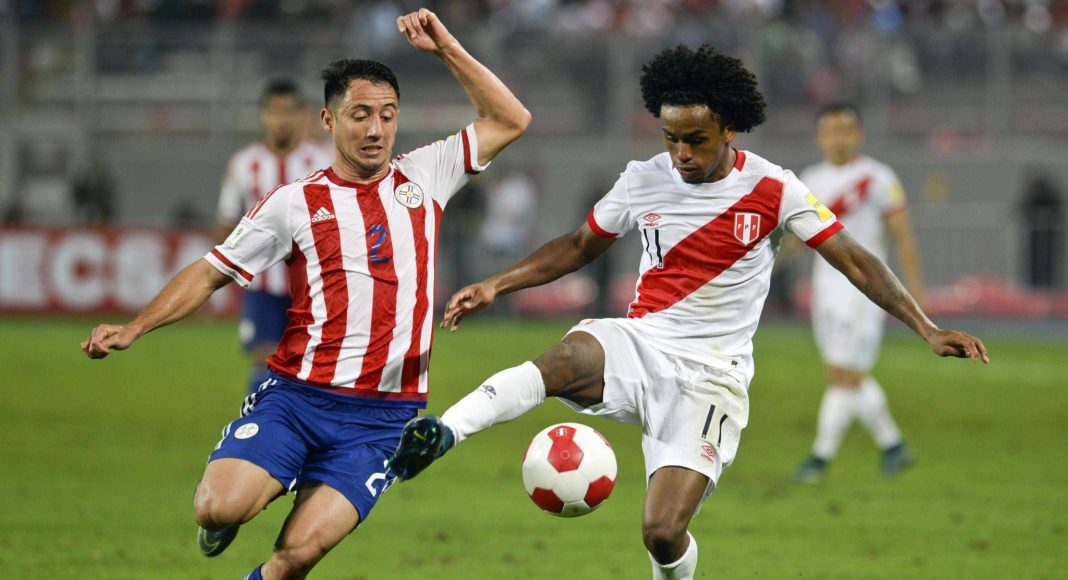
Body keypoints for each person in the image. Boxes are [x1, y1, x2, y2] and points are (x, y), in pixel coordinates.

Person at [388, 44, 987, 580]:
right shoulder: (642, 180)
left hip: (713, 374)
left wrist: (927, 328)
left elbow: (854, 259)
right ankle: (445, 432)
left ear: (728, 128)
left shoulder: (775, 188)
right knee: (565, 358)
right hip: (642, 341)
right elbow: (578, 245)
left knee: (662, 532)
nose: (680, 153)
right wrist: (497, 284)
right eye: (670, 138)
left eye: (695, 139)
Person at [80, 9, 530, 579]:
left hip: (383, 420)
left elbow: (511, 118)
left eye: (387, 115)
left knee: (294, 558)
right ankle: (236, 498)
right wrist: (134, 327)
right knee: (218, 506)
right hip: (298, 398)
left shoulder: (426, 175)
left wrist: (446, 48)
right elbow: (212, 271)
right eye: (360, 115)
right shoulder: (293, 203)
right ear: (327, 119)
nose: (375, 130)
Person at [791, 103, 926, 483]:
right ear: (819, 137)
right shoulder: (809, 179)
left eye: (846, 130)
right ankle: (893, 445)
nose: (839, 138)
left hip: (864, 289)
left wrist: (914, 288)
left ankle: (820, 457)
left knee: (842, 373)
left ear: (859, 134)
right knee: (847, 373)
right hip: (825, 288)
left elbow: (902, 234)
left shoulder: (877, 178)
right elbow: (796, 239)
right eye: (831, 131)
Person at [216, 78, 334, 395]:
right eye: (274, 111)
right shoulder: (244, 164)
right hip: (261, 285)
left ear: (301, 115)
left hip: (312, 285)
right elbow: (226, 223)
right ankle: (259, 422)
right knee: (263, 360)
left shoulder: (323, 160)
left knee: (311, 367)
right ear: (263, 115)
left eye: (288, 111)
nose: (281, 119)